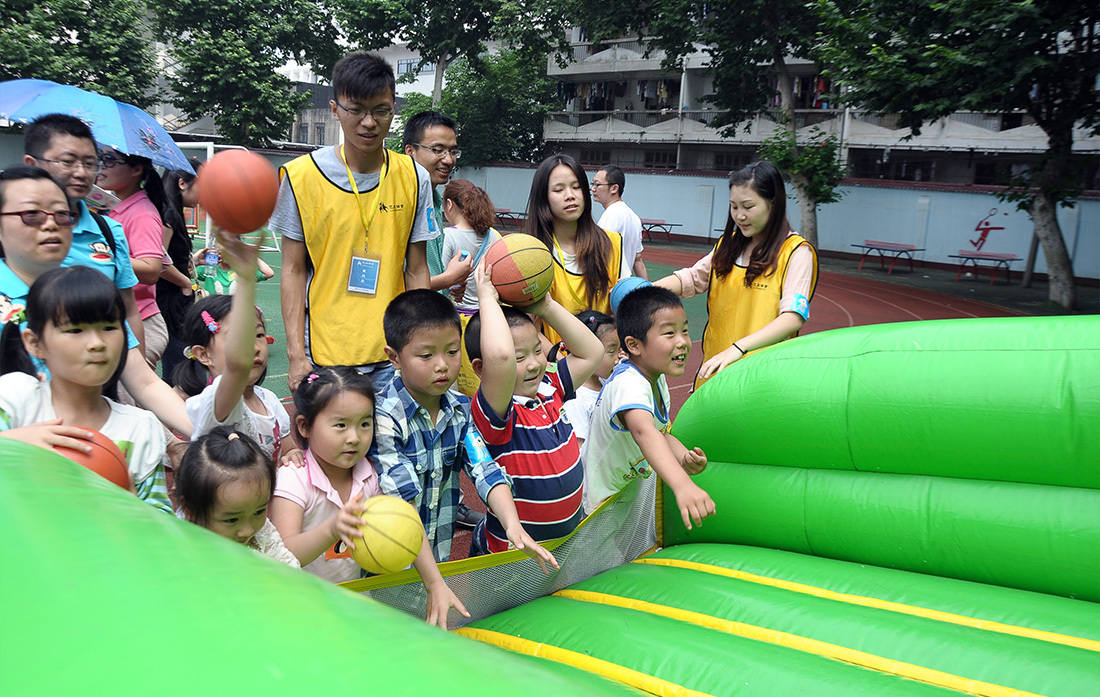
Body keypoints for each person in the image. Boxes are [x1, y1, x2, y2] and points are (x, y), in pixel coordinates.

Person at [272, 51, 435, 393]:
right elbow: (293, 269)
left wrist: (421, 346)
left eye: (380, 110)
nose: (369, 122)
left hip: (393, 354)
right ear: (335, 109)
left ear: (393, 110)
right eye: (356, 109)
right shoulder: (301, 177)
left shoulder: (414, 176)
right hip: (324, 354)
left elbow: (417, 269)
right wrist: (296, 356)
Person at [370, 290, 559, 573]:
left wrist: (513, 526)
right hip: (387, 565)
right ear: (394, 357)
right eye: (426, 355)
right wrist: (434, 581)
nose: (442, 365)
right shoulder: (384, 416)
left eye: (452, 351)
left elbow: (484, 468)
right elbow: (403, 504)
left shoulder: (460, 409)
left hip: (438, 556)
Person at [272, 366, 471, 629]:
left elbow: (404, 525)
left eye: (365, 424)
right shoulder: (293, 478)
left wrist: (432, 581)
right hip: (299, 610)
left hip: (355, 603)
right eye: (340, 425)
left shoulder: (370, 475)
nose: (354, 437)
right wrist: (331, 529)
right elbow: (282, 554)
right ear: (304, 426)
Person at [0, 165, 191, 437]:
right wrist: (11, 442)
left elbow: (145, 383)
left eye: (63, 214)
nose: (51, 224)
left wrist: (204, 433)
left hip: (95, 454)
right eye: (31, 214)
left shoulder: (86, 294)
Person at [0, 265, 171, 514]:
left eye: (109, 327)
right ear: (34, 343)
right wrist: (10, 443)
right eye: (75, 330)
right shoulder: (15, 398)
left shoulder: (140, 428)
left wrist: (136, 515)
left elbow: (162, 518)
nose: (97, 343)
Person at [465, 263, 603, 555]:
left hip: (561, 548)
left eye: (537, 351)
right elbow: (499, 358)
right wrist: (486, 300)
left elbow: (592, 352)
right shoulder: (497, 413)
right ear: (481, 368)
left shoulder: (550, 387)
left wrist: (546, 307)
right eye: (519, 358)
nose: (533, 364)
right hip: (512, 558)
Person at [655, 161, 818, 387]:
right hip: (715, 371)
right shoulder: (728, 245)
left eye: (748, 207)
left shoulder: (796, 252)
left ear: (774, 203)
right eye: (734, 207)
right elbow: (691, 279)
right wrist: (643, 292)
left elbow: (792, 318)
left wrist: (738, 348)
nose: (739, 216)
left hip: (761, 379)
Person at [581, 285, 714, 531]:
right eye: (669, 333)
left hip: (624, 495)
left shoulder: (656, 378)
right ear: (634, 345)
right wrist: (683, 485)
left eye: (685, 331)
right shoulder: (629, 383)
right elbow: (644, 432)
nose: (683, 342)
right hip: (598, 507)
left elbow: (660, 432)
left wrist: (683, 456)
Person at [174, 230, 290, 461]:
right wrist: (245, 281)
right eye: (238, 338)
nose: (253, 347)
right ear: (203, 355)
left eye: (258, 335)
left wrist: (293, 455)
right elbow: (236, 369)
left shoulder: (269, 400)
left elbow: (289, 448)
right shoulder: (214, 402)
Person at [525, 154, 627, 344]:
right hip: (556, 359)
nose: (570, 195)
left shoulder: (612, 244)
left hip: (606, 359)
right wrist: (560, 360)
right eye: (558, 189)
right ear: (543, 198)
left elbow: (624, 311)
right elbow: (530, 329)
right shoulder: (531, 254)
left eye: (576, 186)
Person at [96, 146, 177, 371]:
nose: (102, 165)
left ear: (136, 170)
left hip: (140, 322)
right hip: (121, 319)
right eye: (100, 158)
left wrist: (101, 254)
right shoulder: (115, 207)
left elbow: (152, 269)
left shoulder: (142, 213)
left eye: (110, 159)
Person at [176, 427, 300, 567]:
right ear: (190, 510)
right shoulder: (180, 553)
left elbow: (288, 567)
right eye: (231, 520)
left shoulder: (262, 533)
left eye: (259, 512)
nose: (248, 531)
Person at [434, 179, 502, 397]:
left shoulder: (448, 236)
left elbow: (442, 277)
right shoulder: (494, 235)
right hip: (489, 319)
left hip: (459, 321)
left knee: (460, 386)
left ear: (449, 204)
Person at [403, 110, 468, 287]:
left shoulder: (435, 200)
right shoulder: (399, 202)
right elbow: (394, 282)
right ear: (410, 151)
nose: (448, 160)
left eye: (453, 152)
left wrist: (447, 284)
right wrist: (448, 279)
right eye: (438, 150)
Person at [158, 161, 201, 384]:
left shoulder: (172, 212)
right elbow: (159, 260)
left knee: (178, 370)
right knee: (186, 372)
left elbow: (168, 257)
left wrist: (193, 261)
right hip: (171, 303)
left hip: (173, 300)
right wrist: (185, 282)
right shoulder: (168, 214)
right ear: (182, 183)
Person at [562, 310, 619, 449]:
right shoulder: (575, 399)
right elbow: (580, 450)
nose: (618, 358)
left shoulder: (606, 381)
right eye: (611, 352)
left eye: (619, 350)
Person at [592, 165, 647, 279]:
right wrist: (648, 288)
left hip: (609, 285)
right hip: (622, 285)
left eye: (597, 184)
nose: (593, 188)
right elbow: (638, 260)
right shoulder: (634, 217)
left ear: (614, 188)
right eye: (592, 184)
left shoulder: (611, 215)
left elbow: (599, 255)